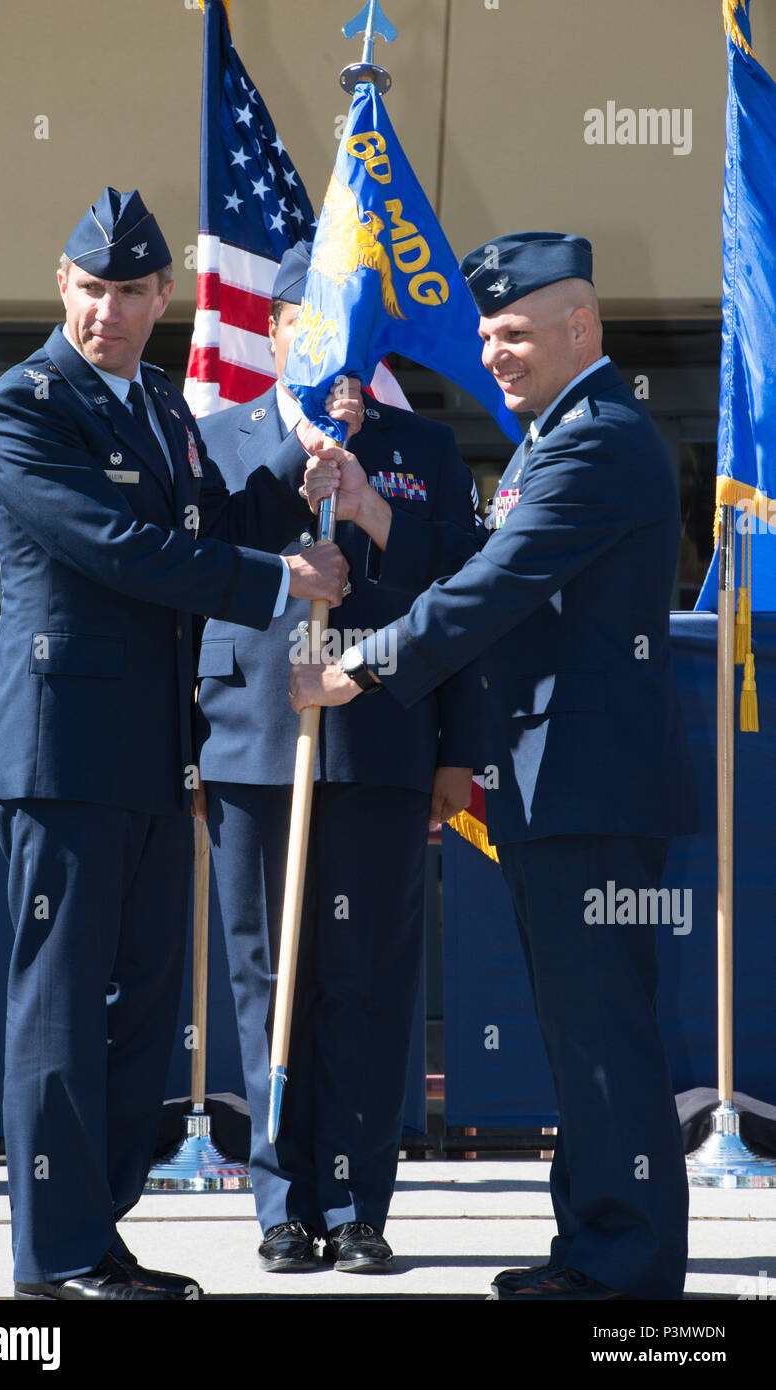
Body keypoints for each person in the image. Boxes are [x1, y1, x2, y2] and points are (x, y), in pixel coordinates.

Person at [292, 231, 699, 1301]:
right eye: (484, 331)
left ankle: (628, 1264)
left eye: (513, 331)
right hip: (558, 782)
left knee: (602, 1024)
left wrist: (363, 670)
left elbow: (492, 588)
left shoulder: (596, 439)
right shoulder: (556, 435)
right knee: (582, 1025)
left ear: (582, 329)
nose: (493, 350)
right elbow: (487, 575)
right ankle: (595, 1246)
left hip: (588, 786)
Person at [0, 188, 349, 1301]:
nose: (108, 312)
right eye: (92, 289)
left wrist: (294, 475)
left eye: (132, 291)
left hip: (150, 755)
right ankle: (52, 1257)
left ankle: (98, 1229)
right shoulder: (23, 406)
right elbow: (120, 548)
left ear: (163, 296)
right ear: (62, 284)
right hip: (61, 755)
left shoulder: (164, 409)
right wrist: (277, 575)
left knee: (141, 1013)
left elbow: (206, 526)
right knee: (60, 1008)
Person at [193, 241, 480, 1273]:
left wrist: (372, 511)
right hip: (252, 746)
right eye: (311, 329)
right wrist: (295, 472)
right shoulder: (216, 437)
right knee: (267, 978)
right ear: (271, 331)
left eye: (355, 334)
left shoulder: (426, 450)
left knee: (368, 979)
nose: (337, 355)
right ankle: (281, 1201)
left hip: (381, 745)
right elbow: (194, 567)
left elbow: (464, 592)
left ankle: (359, 1199)